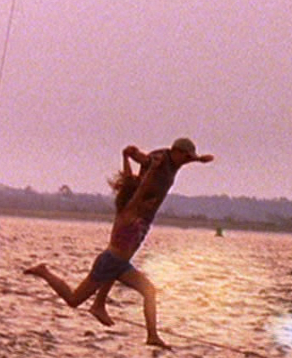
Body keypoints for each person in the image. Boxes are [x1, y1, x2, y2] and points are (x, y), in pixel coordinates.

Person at [24, 147, 168, 346]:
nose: (150, 204)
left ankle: (152, 335)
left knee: (149, 292)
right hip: (109, 262)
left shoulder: (136, 211)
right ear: (136, 198)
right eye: (147, 201)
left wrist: (127, 158)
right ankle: (44, 272)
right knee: (74, 300)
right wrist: (150, 169)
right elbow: (137, 187)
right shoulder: (129, 210)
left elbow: (131, 182)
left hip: (120, 265)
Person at [85, 138, 214, 322]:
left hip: (145, 215)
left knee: (122, 259)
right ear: (176, 152)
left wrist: (199, 159)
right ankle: (99, 303)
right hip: (138, 211)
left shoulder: (176, 161)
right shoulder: (160, 159)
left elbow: (186, 158)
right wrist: (131, 155)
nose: (186, 162)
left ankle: (99, 303)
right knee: (120, 258)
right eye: (186, 157)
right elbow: (144, 159)